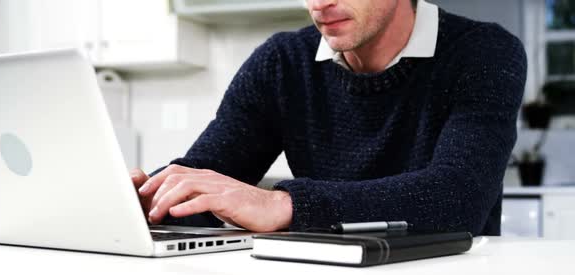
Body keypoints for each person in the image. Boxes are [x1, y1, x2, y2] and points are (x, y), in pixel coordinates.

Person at [130, 0, 527, 235]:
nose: (319, 1)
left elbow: (460, 197)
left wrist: (284, 205)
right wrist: (140, 200)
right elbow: (209, 174)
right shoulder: (283, 61)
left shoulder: (484, 52)